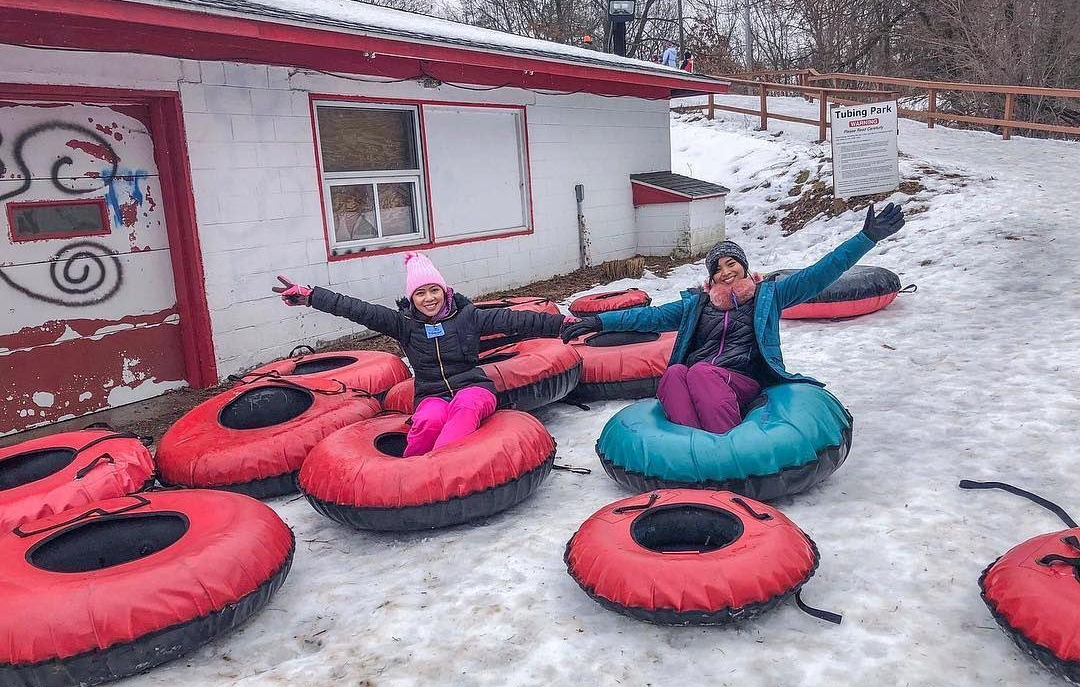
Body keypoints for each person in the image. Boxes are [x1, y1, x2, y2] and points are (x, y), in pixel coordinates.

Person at [562, 203, 906, 435]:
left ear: (742, 265)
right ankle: (691, 442)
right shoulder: (697, 304)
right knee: (676, 373)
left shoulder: (769, 295)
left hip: (741, 380)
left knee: (701, 372)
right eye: (718, 268)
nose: (725, 272)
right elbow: (650, 316)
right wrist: (601, 322)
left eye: (731, 264)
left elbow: (821, 273)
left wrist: (866, 238)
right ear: (710, 276)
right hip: (701, 378)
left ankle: (726, 443)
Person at [275, 252, 569, 457]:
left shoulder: (469, 317)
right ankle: (412, 472)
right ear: (412, 298)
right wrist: (311, 296)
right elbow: (356, 309)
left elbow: (517, 320)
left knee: (465, 408)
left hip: (473, 387)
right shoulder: (404, 325)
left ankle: (443, 463)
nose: (429, 298)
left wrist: (562, 323)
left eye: (434, 290)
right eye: (421, 293)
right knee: (428, 421)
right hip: (431, 393)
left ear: (445, 291)